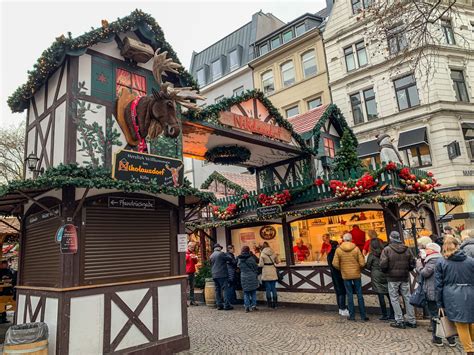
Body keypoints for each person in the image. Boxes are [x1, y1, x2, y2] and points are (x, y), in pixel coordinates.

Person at [436, 236, 474, 353]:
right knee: (471, 322)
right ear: (458, 245)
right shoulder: (470, 261)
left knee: (461, 324)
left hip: (452, 296)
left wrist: (439, 303)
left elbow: (438, 285)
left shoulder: (441, 262)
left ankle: (469, 350)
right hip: (470, 292)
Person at [416, 242, 456, 347]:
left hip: (433, 293)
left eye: (427, 249)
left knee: (435, 316)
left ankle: (438, 338)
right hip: (444, 293)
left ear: (432, 251)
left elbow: (424, 273)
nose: (425, 251)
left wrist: (419, 265)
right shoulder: (443, 259)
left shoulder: (433, 261)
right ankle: (451, 338)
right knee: (445, 315)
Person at [380, 231, 417, 329]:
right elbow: (412, 262)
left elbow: (383, 264)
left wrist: (386, 271)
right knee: (407, 297)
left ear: (390, 238)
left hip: (392, 277)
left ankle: (399, 320)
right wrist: (408, 269)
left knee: (394, 298)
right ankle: (411, 320)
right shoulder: (407, 249)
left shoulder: (387, 249)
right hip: (404, 276)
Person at [333, 233, 368, 321]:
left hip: (345, 274)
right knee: (359, 294)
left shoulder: (339, 250)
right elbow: (362, 263)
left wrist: (342, 268)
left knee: (349, 295)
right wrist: (357, 268)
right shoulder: (356, 249)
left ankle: (352, 316)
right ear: (351, 239)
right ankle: (363, 316)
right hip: (356, 274)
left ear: (343, 240)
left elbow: (335, 264)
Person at [366, 238, 394, 321]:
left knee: (381, 295)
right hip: (386, 274)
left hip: (376, 275)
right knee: (390, 295)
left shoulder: (371, 255)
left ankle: (384, 314)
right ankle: (392, 313)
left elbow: (368, 265)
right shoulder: (386, 251)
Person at [327, 240, 349, 317]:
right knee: (342, 292)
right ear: (337, 246)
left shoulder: (329, 254)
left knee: (338, 292)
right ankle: (343, 309)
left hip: (334, 275)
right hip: (339, 275)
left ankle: (340, 308)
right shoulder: (337, 253)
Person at [210, 243, 234, 310]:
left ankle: (219, 305)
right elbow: (229, 259)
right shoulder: (221, 254)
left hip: (214, 275)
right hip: (222, 274)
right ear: (219, 248)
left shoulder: (211, 255)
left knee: (217, 290)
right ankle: (227, 305)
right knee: (225, 289)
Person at [238, 246, 259, 313]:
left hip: (243, 276)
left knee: (246, 293)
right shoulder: (251, 258)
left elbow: (238, 267)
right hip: (252, 276)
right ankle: (253, 306)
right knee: (253, 292)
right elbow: (255, 267)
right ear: (248, 251)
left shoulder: (239, 259)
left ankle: (246, 307)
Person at [259, 242, 280, 309]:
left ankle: (269, 304)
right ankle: (275, 304)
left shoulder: (262, 254)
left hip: (266, 271)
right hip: (272, 271)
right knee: (273, 288)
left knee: (268, 288)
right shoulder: (273, 252)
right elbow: (277, 262)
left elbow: (261, 264)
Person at [185, 242, 199, 306]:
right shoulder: (185, 253)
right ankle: (184, 302)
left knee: (192, 287)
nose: (193, 248)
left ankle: (192, 301)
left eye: (193, 247)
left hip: (192, 272)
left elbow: (195, 262)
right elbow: (184, 260)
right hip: (186, 272)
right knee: (186, 287)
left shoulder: (192, 253)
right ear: (188, 247)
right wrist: (189, 256)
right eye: (192, 247)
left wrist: (195, 258)